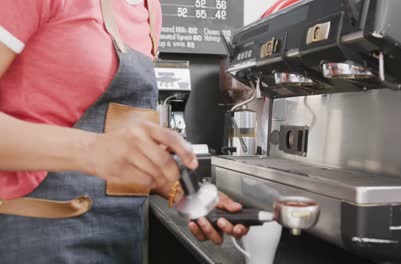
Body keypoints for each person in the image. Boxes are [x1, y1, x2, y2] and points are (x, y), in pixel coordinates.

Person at [0, 0, 248, 263]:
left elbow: (119, 148)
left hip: (121, 243)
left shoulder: (149, 10)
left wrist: (179, 189)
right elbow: (104, 149)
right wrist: (93, 149)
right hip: (34, 241)